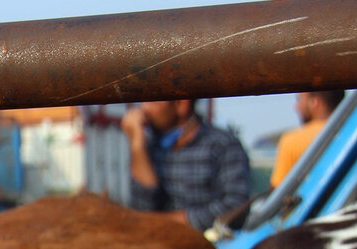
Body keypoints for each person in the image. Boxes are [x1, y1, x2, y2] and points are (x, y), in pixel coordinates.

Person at [120, 99, 251, 232]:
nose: (144, 109)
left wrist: (175, 221)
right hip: (158, 241)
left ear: (181, 105)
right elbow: (141, 208)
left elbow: (236, 206)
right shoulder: (150, 146)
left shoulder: (221, 145)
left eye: (153, 103)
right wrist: (137, 143)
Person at [270, 89, 345, 187]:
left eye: (299, 99)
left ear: (315, 102)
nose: (296, 107)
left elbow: (277, 191)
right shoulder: (356, 130)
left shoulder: (292, 141)